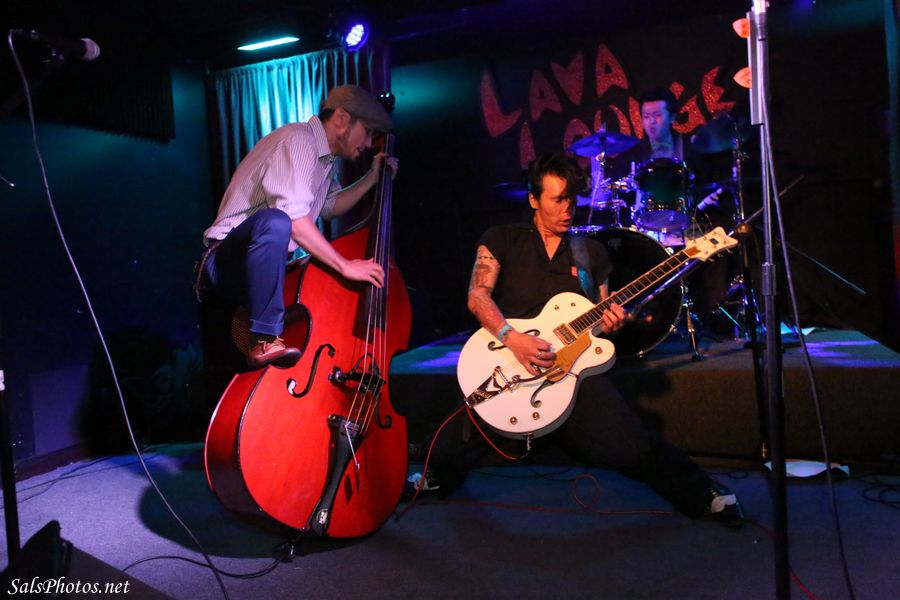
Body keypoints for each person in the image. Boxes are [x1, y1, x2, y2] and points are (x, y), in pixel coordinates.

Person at [421, 152, 744, 527]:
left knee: (630, 444)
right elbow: (477, 296)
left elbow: (599, 321)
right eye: (557, 199)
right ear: (534, 199)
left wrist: (614, 321)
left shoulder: (590, 252)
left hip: (571, 370)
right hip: (509, 361)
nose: (567, 209)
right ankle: (432, 479)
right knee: (456, 439)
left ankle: (703, 495)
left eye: (572, 199)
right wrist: (514, 338)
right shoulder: (501, 239)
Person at [195, 85, 397, 369]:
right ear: (342, 118)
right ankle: (265, 338)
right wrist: (345, 265)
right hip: (226, 263)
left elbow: (330, 207)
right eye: (367, 131)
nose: (367, 143)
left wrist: (371, 179)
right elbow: (293, 220)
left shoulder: (326, 161)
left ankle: (268, 338)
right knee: (277, 221)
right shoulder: (299, 140)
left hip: (260, 267)